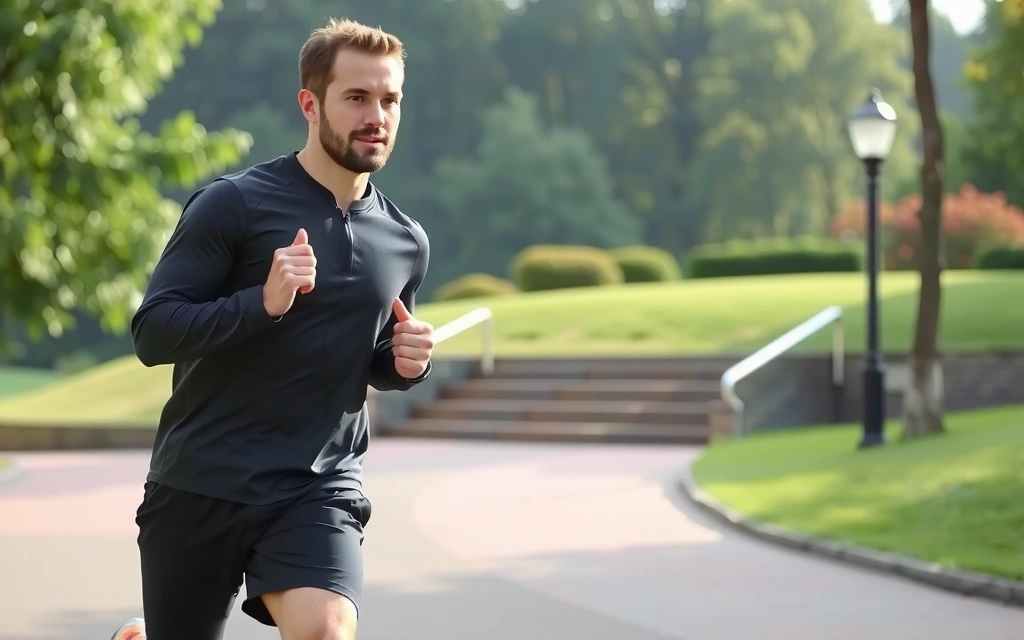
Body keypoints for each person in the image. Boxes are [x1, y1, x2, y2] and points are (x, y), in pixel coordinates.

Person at [110, 17, 433, 640]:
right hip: (202, 480)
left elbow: (370, 356)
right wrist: (263, 303)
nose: (377, 115)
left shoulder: (404, 240)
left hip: (316, 484)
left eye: (389, 99)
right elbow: (153, 332)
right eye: (357, 97)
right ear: (310, 104)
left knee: (326, 630)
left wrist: (403, 362)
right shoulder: (233, 204)